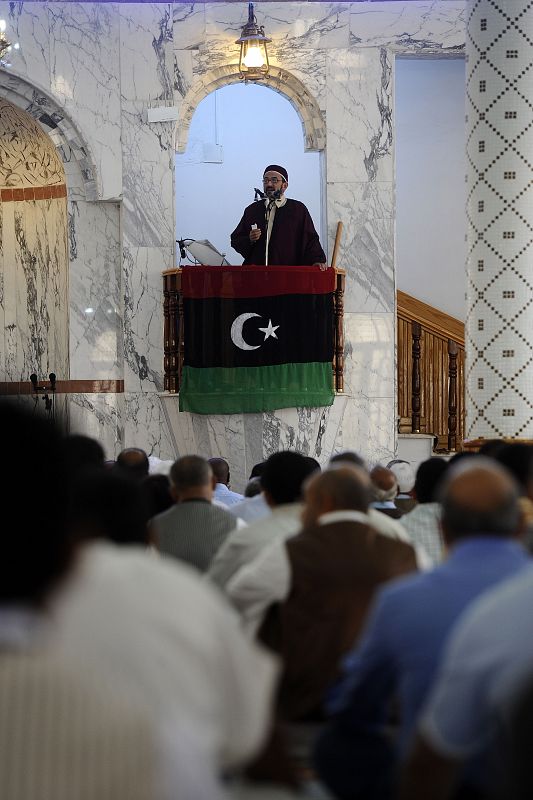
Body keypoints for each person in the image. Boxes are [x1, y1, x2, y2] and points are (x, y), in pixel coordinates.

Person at [314, 459, 528, 800]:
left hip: (441, 779)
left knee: (334, 745)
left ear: (442, 528)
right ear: (519, 525)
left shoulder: (402, 600)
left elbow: (357, 704)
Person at [230, 165, 327, 268]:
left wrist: (316, 260)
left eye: (274, 180)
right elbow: (236, 239)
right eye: (265, 181)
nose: (269, 184)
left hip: (286, 275)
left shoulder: (298, 210)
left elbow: (310, 239)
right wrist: (249, 239)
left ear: (284, 185)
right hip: (257, 275)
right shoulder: (252, 210)